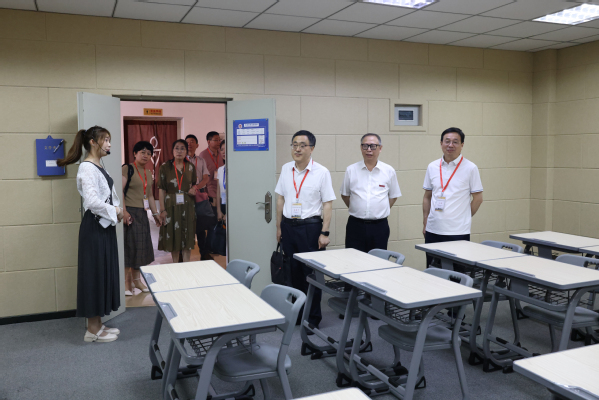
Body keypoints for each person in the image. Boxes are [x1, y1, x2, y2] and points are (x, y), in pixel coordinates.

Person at [57, 126, 122, 343]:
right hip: (94, 228)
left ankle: (98, 323)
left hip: (104, 226)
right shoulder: (87, 167)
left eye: (109, 140)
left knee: (102, 272)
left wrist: (118, 212)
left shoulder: (99, 165)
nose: (109, 144)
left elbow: (108, 196)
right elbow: (92, 202)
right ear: (93, 142)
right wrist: (117, 211)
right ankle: (92, 330)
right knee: (94, 274)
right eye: (106, 140)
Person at [275, 130, 336, 329]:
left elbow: (327, 203)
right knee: (292, 274)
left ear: (312, 148)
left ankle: (313, 318)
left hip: (310, 228)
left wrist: (324, 232)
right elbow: (280, 198)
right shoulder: (286, 169)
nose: (298, 149)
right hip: (288, 227)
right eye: (294, 145)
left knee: (312, 274)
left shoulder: (321, 172)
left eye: (302, 145)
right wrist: (279, 227)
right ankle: (298, 314)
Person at [422, 127, 484, 267]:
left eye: (455, 142)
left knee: (456, 274)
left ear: (462, 145)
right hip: (433, 229)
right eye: (447, 141)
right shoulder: (432, 166)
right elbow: (427, 197)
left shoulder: (470, 168)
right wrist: (425, 221)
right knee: (432, 271)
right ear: (441, 143)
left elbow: (478, 199)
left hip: (458, 231)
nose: (450, 145)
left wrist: (463, 216)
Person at [341, 133, 402, 253]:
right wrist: (358, 207)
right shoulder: (351, 170)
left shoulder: (388, 171)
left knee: (377, 260)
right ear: (361, 148)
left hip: (379, 226)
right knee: (353, 259)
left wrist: (378, 209)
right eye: (365, 146)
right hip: (356, 225)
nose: (369, 150)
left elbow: (393, 196)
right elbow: (345, 195)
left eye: (373, 146)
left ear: (380, 148)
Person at [122, 141, 162, 296]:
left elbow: (150, 195)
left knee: (140, 248)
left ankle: (137, 281)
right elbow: (119, 190)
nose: (146, 155)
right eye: (142, 152)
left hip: (142, 213)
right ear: (135, 153)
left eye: (149, 153)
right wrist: (124, 211)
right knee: (129, 248)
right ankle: (125, 284)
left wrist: (156, 214)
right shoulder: (127, 168)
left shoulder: (148, 172)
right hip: (130, 212)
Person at [157, 139, 197, 263]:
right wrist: (162, 210)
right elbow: (161, 190)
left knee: (187, 236)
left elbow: (194, 184)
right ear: (172, 151)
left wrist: (194, 189)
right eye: (177, 148)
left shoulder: (190, 167)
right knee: (173, 237)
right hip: (171, 205)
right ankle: (175, 265)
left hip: (187, 205)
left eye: (182, 148)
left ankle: (186, 265)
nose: (179, 151)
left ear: (186, 152)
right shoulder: (165, 167)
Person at [185, 134, 211, 260]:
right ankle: (183, 254)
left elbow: (206, 178)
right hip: (185, 195)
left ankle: (204, 253)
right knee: (185, 224)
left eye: (192, 142)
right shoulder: (181, 160)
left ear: (197, 145)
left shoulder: (201, 160)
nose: (189, 144)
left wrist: (196, 187)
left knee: (200, 225)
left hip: (198, 194)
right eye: (187, 142)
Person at [199, 131, 224, 256]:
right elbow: (203, 177)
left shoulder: (222, 153)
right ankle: (208, 248)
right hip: (210, 193)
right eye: (216, 140)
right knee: (211, 222)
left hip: (222, 191)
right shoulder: (203, 155)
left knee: (220, 221)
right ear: (209, 142)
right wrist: (208, 196)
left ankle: (217, 246)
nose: (218, 142)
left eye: (219, 139)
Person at [216, 139, 227, 222]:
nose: (223, 152)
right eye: (222, 149)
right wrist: (218, 211)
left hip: (234, 206)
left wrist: (229, 212)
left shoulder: (236, 169)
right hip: (223, 203)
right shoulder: (220, 169)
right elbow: (218, 190)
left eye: (226, 149)